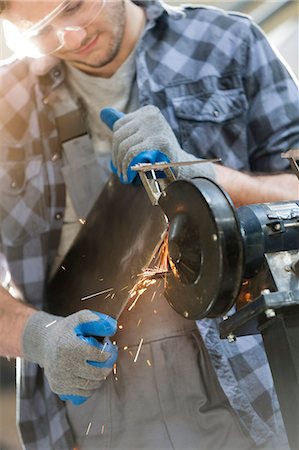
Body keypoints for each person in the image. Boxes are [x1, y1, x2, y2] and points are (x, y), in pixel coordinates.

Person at [0, 0, 298, 449]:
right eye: (41, 29)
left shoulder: (226, 44)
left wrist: (204, 175)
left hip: (253, 395)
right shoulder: (6, 109)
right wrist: (37, 337)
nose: (73, 38)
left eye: (76, 6)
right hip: (91, 423)